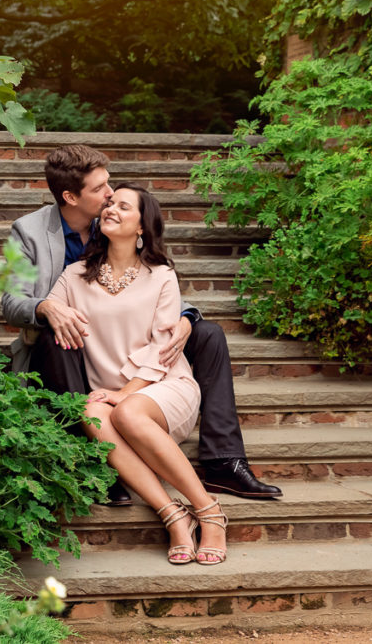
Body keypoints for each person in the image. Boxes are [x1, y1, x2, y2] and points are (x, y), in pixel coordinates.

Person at [2, 145, 281, 503]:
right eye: (100, 189)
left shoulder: (117, 221)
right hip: (67, 348)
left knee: (208, 333)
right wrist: (45, 308)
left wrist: (186, 317)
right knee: (57, 336)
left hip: (125, 334)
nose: (109, 195)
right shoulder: (30, 232)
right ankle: (96, 460)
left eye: (110, 185)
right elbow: (11, 302)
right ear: (70, 196)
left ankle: (223, 460)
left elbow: (152, 278)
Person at [47, 186, 227, 564]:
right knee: (90, 411)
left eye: (122, 206)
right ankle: (173, 514)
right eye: (109, 203)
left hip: (164, 388)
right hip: (110, 396)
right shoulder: (75, 274)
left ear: (142, 227)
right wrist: (47, 306)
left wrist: (126, 391)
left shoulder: (161, 276)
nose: (110, 208)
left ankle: (209, 512)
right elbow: (45, 306)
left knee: (125, 411)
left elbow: (163, 348)